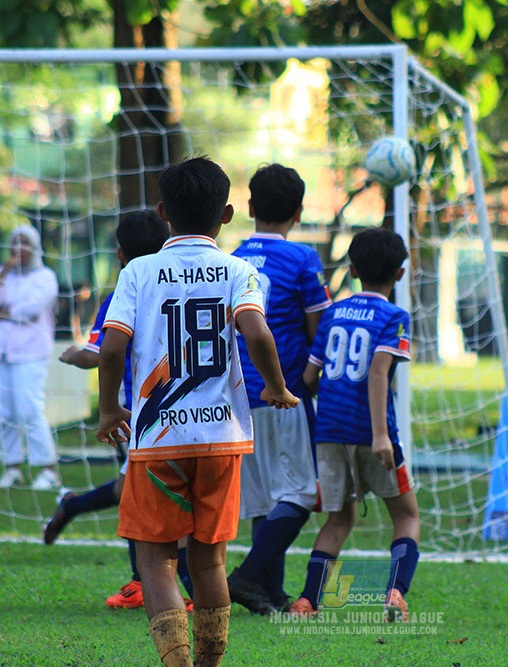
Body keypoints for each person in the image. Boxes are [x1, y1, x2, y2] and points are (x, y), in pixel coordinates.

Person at [96, 157, 299, 667]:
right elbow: (255, 331)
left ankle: (177, 663)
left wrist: (107, 409)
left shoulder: (138, 271)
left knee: (156, 558)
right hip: (221, 437)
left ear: (163, 211)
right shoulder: (240, 271)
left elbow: (113, 346)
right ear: (227, 214)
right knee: (208, 559)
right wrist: (276, 387)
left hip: (158, 438)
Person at [47, 210, 198, 611]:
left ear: (118, 254)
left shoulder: (123, 292)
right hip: (158, 412)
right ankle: (140, 582)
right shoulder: (179, 287)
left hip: (141, 412)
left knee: (137, 490)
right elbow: (108, 353)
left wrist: (74, 355)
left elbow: (98, 354)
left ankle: (74, 506)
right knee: (141, 493)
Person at [290, 227, 420, 623]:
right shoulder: (394, 316)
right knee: (407, 516)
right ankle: (394, 594)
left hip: (329, 433)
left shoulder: (332, 313)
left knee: (339, 519)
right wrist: (381, 434)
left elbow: (310, 378)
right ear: (400, 273)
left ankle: (307, 601)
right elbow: (379, 372)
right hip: (372, 433)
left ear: (352, 268)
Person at [226, 164, 332, 615]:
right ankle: (246, 578)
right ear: (299, 211)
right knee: (303, 494)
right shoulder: (303, 258)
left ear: (249, 207)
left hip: (236, 393)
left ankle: (269, 593)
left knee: (262, 496)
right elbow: (317, 325)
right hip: (282, 392)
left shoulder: (229, 257)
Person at [0, 225, 61, 490]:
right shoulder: (1, 274)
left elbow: (31, 310)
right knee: (4, 413)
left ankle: (48, 469)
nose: (19, 249)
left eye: (25, 243)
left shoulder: (46, 276)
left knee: (29, 410)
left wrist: (5, 311)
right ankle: (12, 467)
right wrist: (3, 272)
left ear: (35, 246)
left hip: (30, 352)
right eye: (15, 243)